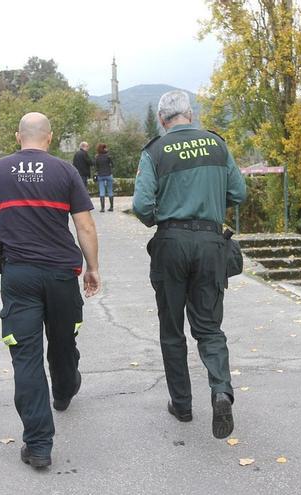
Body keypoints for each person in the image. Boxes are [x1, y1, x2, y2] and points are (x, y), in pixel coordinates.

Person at [0, 112, 101, 469]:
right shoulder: (65, 171)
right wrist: (92, 268)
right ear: (50, 137)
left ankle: (39, 445)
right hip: (61, 274)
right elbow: (85, 226)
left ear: (18, 136)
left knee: (25, 356)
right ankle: (64, 390)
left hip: (20, 276)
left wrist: (2, 259)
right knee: (63, 341)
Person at [132, 90, 247, 439]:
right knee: (209, 327)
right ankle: (221, 391)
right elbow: (239, 193)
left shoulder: (154, 151)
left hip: (171, 243)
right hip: (211, 244)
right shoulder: (217, 145)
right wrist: (212, 203)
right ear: (191, 114)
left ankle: (182, 405)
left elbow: (141, 205)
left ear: (161, 120)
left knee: (172, 329)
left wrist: (160, 218)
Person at [94, 143, 114, 212]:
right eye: (105, 147)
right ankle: (111, 207)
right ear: (104, 148)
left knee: (102, 191)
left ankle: (102, 208)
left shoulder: (97, 157)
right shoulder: (108, 156)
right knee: (110, 191)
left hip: (100, 175)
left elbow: (96, 167)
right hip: (108, 174)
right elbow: (112, 165)